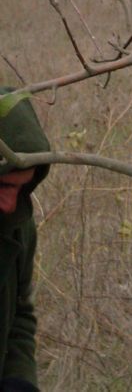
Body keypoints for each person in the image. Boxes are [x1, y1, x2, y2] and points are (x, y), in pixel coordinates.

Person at [0, 91, 50, 392]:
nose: (9, 203)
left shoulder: (17, 225)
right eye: (3, 184)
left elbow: (19, 312)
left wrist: (19, 380)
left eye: (21, 188)